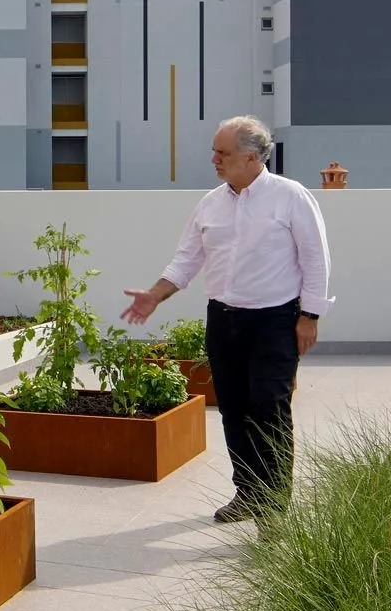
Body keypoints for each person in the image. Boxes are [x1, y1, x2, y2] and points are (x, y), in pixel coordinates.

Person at [123, 115, 333, 522]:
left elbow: (315, 259)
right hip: (223, 322)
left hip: (275, 322)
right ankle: (248, 493)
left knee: (269, 408)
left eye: (223, 153)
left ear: (252, 158)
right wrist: (154, 295)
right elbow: (186, 260)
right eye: (214, 152)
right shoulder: (210, 203)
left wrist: (310, 316)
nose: (214, 160)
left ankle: (273, 508)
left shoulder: (291, 197)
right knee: (234, 410)